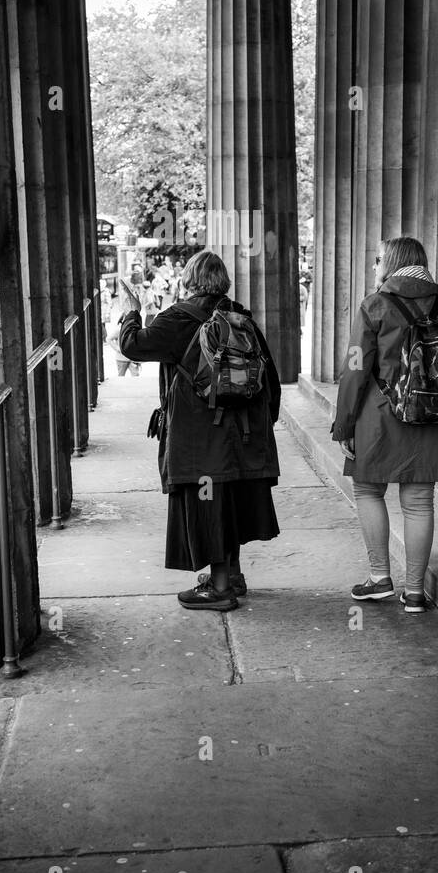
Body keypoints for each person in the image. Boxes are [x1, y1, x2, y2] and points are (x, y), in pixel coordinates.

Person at [118, 250, 281, 611]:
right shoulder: (240, 317)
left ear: (189, 281)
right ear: (223, 281)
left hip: (199, 436)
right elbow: (270, 379)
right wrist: (262, 427)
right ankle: (233, 576)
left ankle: (220, 589)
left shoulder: (177, 318)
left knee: (208, 508)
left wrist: (131, 311)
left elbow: (133, 347)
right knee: (230, 503)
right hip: (241, 434)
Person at [330, 235, 438, 613]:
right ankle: (414, 592)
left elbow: (356, 369)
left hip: (379, 418)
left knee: (368, 491)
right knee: (419, 501)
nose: (374, 266)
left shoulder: (375, 306)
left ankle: (379, 578)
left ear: (391, 262)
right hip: (431, 419)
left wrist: (343, 424)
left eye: (377, 259)